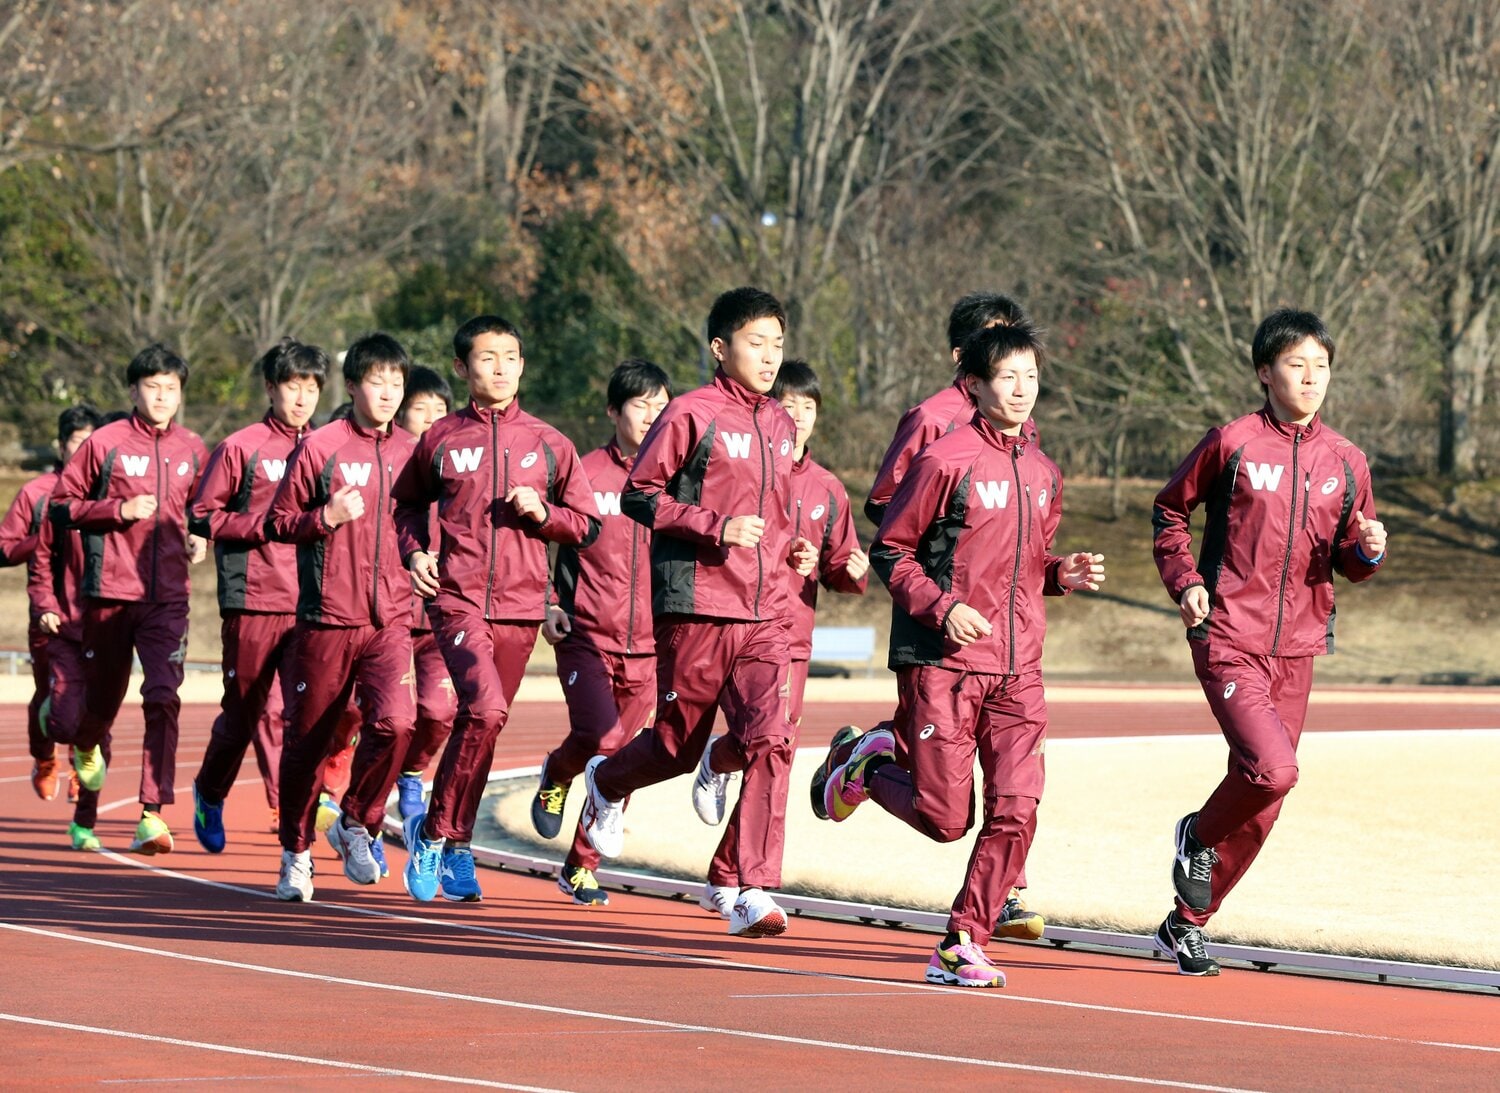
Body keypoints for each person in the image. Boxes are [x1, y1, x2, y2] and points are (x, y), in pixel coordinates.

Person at [817, 322, 1105, 988]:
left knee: (1018, 805)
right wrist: (944, 608)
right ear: (973, 385)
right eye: (1008, 377)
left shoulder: (1043, 472)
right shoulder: (944, 459)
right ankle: (865, 766)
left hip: (1018, 670)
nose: (1023, 389)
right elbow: (892, 550)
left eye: (1031, 376)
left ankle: (960, 941)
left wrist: (1063, 574)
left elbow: (1025, 567)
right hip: (944, 665)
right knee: (948, 819)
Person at [1150, 308, 1386, 976]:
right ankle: (1194, 834)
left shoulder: (1346, 460)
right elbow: (1170, 509)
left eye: (1321, 366)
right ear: (1264, 371)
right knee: (1273, 769)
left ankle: (1186, 922)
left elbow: (1347, 556)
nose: (1311, 378)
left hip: (1299, 646)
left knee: (1266, 796)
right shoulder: (1231, 442)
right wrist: (1185, 580)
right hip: (1227, 633)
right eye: (1296, 364)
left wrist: (1367, 551)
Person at [578, 286, 817, 938]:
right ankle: (607, 779)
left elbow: (776, 510)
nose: (769, 356)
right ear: (720, 347)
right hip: (698, 602)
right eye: (755, 342)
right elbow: (639, 496)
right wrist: (715, 527)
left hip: (768, 610)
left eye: (777, 343)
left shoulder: (780, 423)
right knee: (676, 747)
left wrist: (791, 545)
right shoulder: (689, 414)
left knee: (772, 738)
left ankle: (745, 884)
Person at [394, 316, 599, 904]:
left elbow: (585, 525)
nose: (501, 368)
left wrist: (544, 514)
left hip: (520, 606)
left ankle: (456, 847)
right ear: (463, 368)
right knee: (482, 710)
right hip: (457, 600)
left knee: (485, 724)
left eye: (511, 356)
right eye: (487, 358)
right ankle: (435, 833)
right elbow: (405, 506)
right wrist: (415, 552)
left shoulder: (550, 443)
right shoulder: (441, 439)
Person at [691, 359, 868, 917]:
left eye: (808, 408)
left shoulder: (827, 489)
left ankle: (742, 882)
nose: (798, 416)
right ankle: (717, 764)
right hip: (725, 624)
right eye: (787, 405)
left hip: (790, 639)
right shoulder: (740, 467)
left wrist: (843, 567)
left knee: (776, 750)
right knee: (748, 745)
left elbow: (844, 568)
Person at [265, 333, 417, 901]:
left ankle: (355, 820)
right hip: (327, 618)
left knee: (398, 722)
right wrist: (324, 517)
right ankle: (296, 854)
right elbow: (279, 522)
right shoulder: (320, 448)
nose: (387, 392)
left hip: (391, 619)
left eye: (396, 383)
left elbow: (428, 526)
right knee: (307, 742)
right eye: (376, 381)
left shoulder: (413, 452)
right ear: (352, 386)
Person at [48, 346, 210, 854]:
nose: (163, 397)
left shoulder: (193, 447)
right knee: (102, 703)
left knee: (163, 697)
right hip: (111, 595)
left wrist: (199, 537)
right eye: (152, 387)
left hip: (168, 598)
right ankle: (85, 743)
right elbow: (61, 506)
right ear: (133, 391)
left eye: (171, 388)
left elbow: (205, 510)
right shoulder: (104, 443)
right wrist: (118, 509)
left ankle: (152, 814)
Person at [534, 359, 672, 907]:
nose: (651, 415)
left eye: (661, 406)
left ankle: (580, 865)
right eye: (640, 404)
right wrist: (547, 602)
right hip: (584, 632)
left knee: (627, 759)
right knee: (602, 740)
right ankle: (557, 770)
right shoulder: (582, 472)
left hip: (652, 644)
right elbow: (538, 538)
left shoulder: (678, 481)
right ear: (614, 410)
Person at [189, 338, 328, 850]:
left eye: (311, 388)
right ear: (271, 388)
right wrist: (264, 526)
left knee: (304, 715)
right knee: (245, 712)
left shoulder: (328, 447)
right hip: (252, 597)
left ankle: (298, 825)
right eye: (292, 386)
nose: (302, 398)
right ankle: (209, 789)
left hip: (313, 603)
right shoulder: (240, 446)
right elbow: (204, 515)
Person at [0, 405, 102, 811]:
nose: (84, 450)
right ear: (61, 446)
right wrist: (47, 537)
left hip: (97, 615)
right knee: (51, 693)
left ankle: (81, 767)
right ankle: (45, 759)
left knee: (97, 697)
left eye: (91, 442)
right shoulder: (37, 493)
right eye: (77, 442)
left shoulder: (107, 492)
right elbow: (5, 547)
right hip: (49, 613)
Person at [390, 365, 459, 821]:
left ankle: (412, 774)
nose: (432, 418)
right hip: (390, 612)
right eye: (421, 410)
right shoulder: (389, 461)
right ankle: (361, 809)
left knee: (438, 712)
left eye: (441, 409)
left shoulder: (459, 459)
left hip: (442, 612)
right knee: (386, 719)